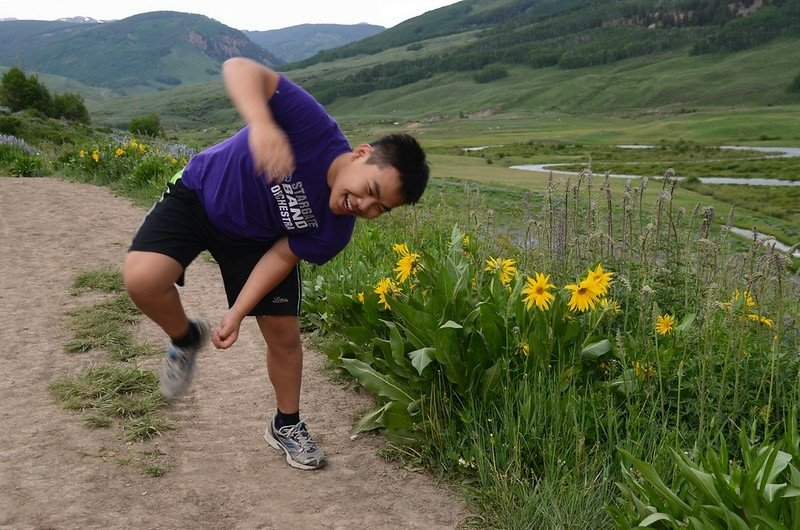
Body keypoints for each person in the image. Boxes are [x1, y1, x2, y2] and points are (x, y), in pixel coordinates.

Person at [123, 57, 429, 470]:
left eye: (380, 208)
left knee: (284, 335)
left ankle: (286, 424)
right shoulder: (312, 128)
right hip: (199, 195)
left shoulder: (334, 230)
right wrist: (263, 123)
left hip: (256, 240)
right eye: (370, 189)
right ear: (360, 155)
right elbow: (239, 68)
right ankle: (184, 338)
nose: (364, 206)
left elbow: (282, 255)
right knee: (142, 280)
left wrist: (237, 312)